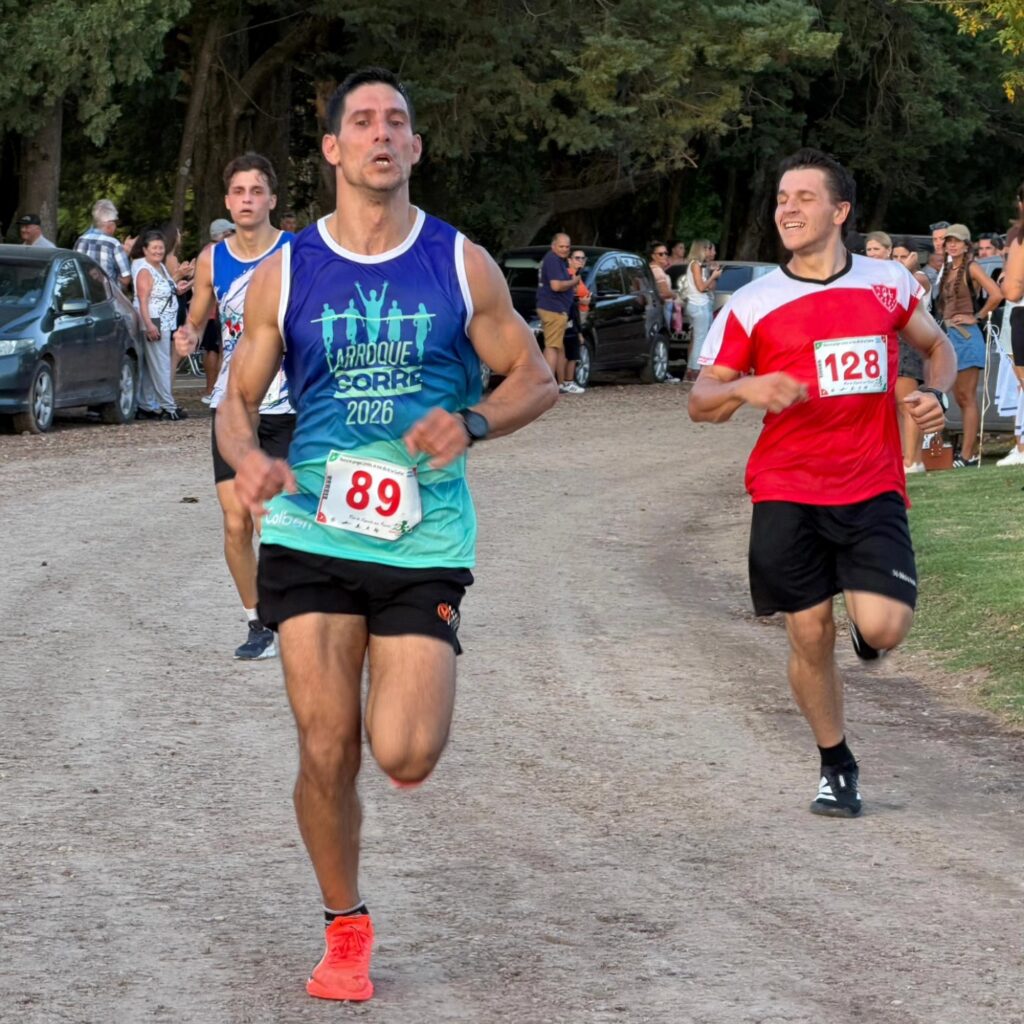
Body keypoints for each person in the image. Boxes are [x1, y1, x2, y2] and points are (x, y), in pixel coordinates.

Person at [215, 66, 556, 1002]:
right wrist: (246, 458)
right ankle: (345, 925)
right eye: (362, 121)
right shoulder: (287, 271)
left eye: (396, 122)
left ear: (415, 147)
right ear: (332, 149)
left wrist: (474, 421)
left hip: (423, 535)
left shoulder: (461, 262)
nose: (380, 133)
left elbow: (534, 378)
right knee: (327, 744)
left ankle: (401, 720)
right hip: (312, 527)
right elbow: (237, 400)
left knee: (404, 751)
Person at [688, 148, 955, 819]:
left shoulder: (887, 283)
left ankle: (868, 621)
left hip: (871, 483)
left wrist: (937, 395)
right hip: (787, 487)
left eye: (804, 198)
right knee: (808, 634)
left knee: (884, 629)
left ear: (840, 211)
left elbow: (937, 346)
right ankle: (836, 764)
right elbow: (701, 400)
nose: (788, 209)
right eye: (782, 198)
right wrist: (747, 388)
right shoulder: (752, 303)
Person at [173, 153, 294, 661]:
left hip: (287, 402)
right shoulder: (212, 259)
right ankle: (258, 624)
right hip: (233, 406)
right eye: (239, 192)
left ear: (271, 200)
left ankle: (299, 616)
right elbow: (198, 318)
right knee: (236, 522)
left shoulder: (296, 252)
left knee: (275, 521)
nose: (247, 200)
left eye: (256, 191)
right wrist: (187, 334)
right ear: (227, 201)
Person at [934, 223, 1002, 467]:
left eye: (957, 241)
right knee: (958, 397)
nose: (952, 245)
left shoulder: (971, 267)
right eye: (949, 241)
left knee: (967, 396)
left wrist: (978, 316)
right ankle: (966, 451)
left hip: (966, 336)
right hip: (949, 336)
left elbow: (996, 294)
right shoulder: (946, 268)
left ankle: (967, 455)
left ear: (966, 245)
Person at [131, 230, 189, 421]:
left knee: (152, 365)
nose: (158, 251)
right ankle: (168, 406)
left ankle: (146, 404)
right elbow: (143, 300)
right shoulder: (145, 270)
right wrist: (149, 324)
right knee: (161, 363)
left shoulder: (161, 268)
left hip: (165, 321)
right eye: (154, 248)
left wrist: (178, 287)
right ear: (145, 250)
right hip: (155, 320)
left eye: (161, 248)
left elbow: (165, 289)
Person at [890, 238, 933, 473]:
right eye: (895, 257)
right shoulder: (900, 275)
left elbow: (902, 289)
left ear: (914, 257)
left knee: (909, 405)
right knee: (899, 405)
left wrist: (904, 267)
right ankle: (906, 457)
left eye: (903, 256)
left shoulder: (919, 277)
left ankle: (913, 461)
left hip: (911, 344)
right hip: (898, 343)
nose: (899, 261)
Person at [198, 219, 235, 404]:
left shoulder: (208, 252)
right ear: (224, 234)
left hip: (212, 310)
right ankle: (215, 389)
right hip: (217, 310)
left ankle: (213, 389)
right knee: (218, 349)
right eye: (231, 233)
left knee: (213, 348)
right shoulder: (217, 252)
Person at [536, 232, 579, 393]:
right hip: (553, 309)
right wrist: (573, 281)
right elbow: (556, 286)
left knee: (558, 347)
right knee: (552, 347)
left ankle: (560, 383)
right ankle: (548, 385)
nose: (564, 249)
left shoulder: (556, 260)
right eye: (561, 246)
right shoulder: (553, 260)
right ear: (553, 246)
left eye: (567, 247)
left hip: (555, 308)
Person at [680, 238, 722, 381]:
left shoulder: (699, 266)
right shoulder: (695, 265)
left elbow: (709, 287)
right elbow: (701, 287)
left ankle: (692, 371)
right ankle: (694, 371)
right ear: (702, 249)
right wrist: (714, 276)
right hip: (698, 305)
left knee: (699, 339)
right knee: (700, 340)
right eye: (709, 249)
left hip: (701, 305)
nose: (711, 252)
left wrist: (713, 274)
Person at [74, 199, 131, 290]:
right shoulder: (113, 244)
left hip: (84, 294)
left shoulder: (81, 240)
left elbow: (75, 270)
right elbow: (126, 279)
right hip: (107, 295)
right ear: (110, 224)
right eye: (116, 222)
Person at [562, 248, 590, 394]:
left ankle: (566, 381)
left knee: (571, 351)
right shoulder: (569, 275)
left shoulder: (577, 275)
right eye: (577, 258)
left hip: (578, 315)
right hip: (571, 317)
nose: (580, 261)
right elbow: (568, 298)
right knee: (571, 351)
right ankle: (567, 381)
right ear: (569, 260)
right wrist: (581, 301)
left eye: (582, 258)